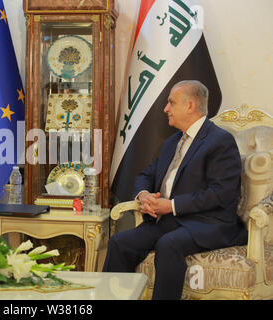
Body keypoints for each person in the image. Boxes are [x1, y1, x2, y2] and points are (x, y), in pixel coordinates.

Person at [103, 80, 248, 300]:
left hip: (209, 223)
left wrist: (170, 206)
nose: (165, 109)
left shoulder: (220, 141)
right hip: (170, 221)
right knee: (120, 242)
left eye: (171, 102)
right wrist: (144, 195)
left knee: (168, 244)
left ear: (189, 106)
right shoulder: (172, 142)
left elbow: (221, 193)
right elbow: (146, 175)